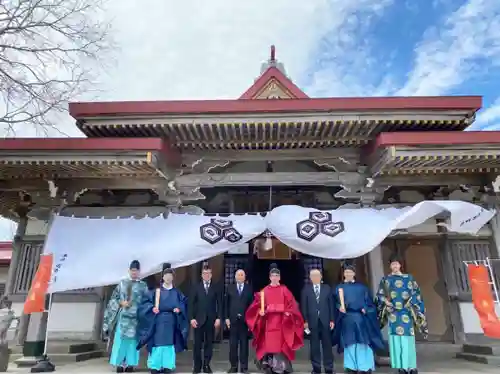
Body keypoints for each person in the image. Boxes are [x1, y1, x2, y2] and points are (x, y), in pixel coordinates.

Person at [245, 263, 304, 374]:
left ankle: (281, 368)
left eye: (277, 276)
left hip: (282, 324)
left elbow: (292, 306)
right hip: (269, 324)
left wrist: (288, 313)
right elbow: (256, 308)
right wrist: (260, 313)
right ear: (270, 277)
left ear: (280, 277)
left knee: (281, 347)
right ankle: (270, 367)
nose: (275, 277)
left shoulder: (284, 290)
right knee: (269, 346)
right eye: (273, 276)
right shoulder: (264, 292)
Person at [375, 255, 428, 374]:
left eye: (396, 264)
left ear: (400, 265)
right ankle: (401, 366)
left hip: (406, 312)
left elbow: (416, 294)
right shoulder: (386, 280)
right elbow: (380, 295)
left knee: (408, 339)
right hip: (393, 314)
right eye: (392, 264)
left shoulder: (409, 278)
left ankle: (411, 366)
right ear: (390, 266)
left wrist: (410, 303)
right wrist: (386, 302)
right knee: (396, 339)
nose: (394, 266)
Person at [331, 261, 384, 374]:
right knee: (349, 343)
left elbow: (370, 303)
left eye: (350, 272)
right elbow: (334, 303)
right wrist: (339, 307)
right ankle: (351, 367)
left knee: (362, 343)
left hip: (360, 318)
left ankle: (364, 367)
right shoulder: (339, 288)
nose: (348, 274)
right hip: (346, 319)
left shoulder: (362, 288)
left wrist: (366, 308)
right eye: (346, 272)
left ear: (354, 273)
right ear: (343, 274)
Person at [137, 263, 188, 374]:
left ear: (173, 277)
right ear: (163, 277)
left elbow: (183, 303)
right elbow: (145, 303)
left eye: (170, 275)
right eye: (166, 275)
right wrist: (151, 308)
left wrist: (179, 309)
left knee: (169, 345)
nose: (168, 277)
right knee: (157, 344)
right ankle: (155, 365)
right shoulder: (156, 292)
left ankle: (168, 365)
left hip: (171, 321)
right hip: (158, 320)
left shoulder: (177, 292)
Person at [103, 260, 148, 373]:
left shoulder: (143, 286)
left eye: (136, 270)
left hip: (135, 318)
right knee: (120, 341)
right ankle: (119, 363)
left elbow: (147, 301)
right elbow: (114, 298)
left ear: (139, 272)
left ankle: (130, 364)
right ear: (129, 271)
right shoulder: (122, 283)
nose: (134, 272)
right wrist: (120, 303)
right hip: (123, 317)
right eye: (132, 270)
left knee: (133, 342)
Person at [189, 262, 223, 374]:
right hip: (198, 320)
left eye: (208, 273)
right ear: (201, 275)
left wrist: (219, 318)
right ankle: (197, 366)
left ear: (211, 275)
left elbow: (220, 303)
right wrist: (191, 318)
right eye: (204, 273)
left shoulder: (216, 287)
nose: (206, 275)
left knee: (209, 343)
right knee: (197, 344)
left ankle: (206, 365)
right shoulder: (196, 287)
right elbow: (191, 304)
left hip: (211, 320)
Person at [300, 268, 335, 374]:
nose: (315, 278)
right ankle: (316, 367)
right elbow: (303, 306)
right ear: (310, 278)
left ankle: (329, 367)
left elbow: (331, 305)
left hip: (325, 319)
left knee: (327, 345)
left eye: (317, 275)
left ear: (321, 277)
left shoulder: (327, 288)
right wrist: (305, 321)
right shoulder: (305, 289)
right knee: (314, 346)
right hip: (312, 321)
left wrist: (332, 319)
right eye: (313, 276)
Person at [224, 268, 253, 374]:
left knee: (244, 345)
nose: (240, 277)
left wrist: (251, 321)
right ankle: (234, 366)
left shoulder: (249, 288)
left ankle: (244, 367)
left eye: (242, 275)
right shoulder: (230, 288)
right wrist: (226, 318)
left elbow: (252, 306)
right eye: (238, 275)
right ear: (235, 277)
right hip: (233, 321)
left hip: (245, 322)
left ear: (245, 277)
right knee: (233, 345)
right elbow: (226, 304)